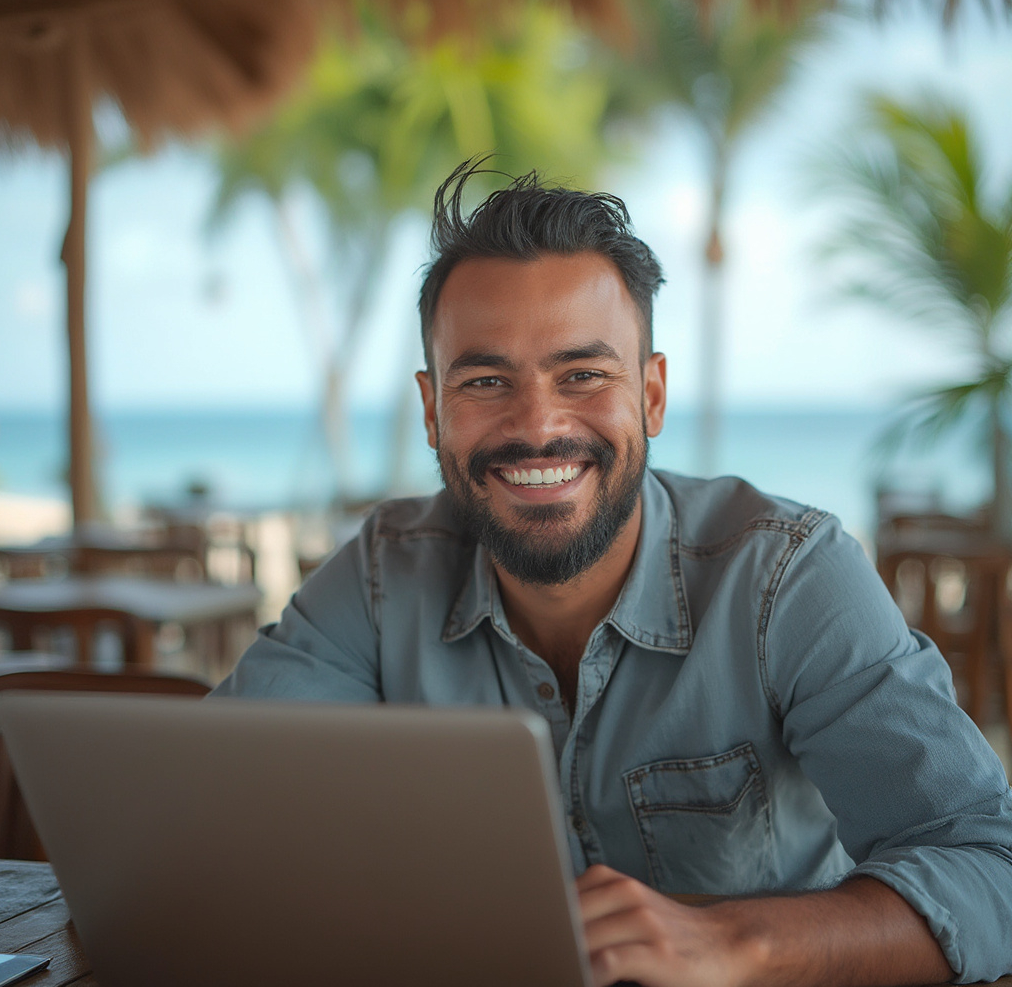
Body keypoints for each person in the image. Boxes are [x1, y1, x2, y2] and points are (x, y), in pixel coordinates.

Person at [213, 158, 1012, 986]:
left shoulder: (789, 577)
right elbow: (209, 806)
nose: (538, 426)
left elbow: (991, 864)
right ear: (430, 411)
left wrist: (738, 944)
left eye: (583, 375)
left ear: (652, 395)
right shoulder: (383, 576)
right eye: (485, 381)